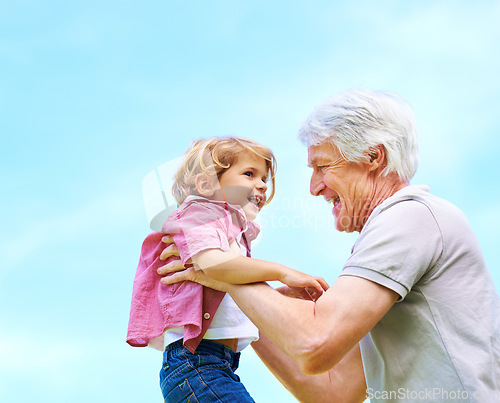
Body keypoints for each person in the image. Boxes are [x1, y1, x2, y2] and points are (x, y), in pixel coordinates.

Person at [159, 90, 500, 402]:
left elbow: (314, 344)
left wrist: (222, 266)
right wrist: (238, 299)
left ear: (373, 157)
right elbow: (332, 392)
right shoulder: (397, 239)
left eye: (322, 166)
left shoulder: (410, 216)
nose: (314, 187)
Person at [126, 136, 328, 402]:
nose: (261, 185)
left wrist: (275, 296)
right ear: (206, 183)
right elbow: (214, 266)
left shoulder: (229, 229)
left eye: (264, 178)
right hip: (196, 365)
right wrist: (281, 271)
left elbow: (225, 286)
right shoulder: (200, 213)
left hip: (213, 366)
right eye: (249, 174)